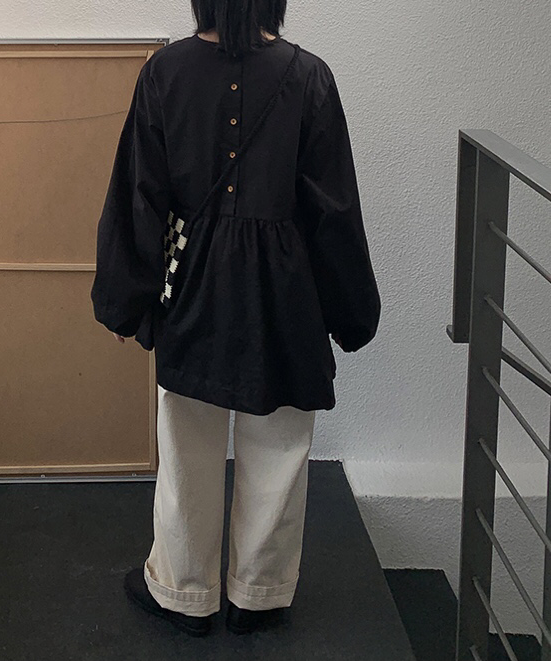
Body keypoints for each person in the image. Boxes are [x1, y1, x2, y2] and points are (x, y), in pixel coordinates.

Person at [90, 0, 381, 637]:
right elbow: (332, 210)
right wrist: (352, 313)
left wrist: (124, 297)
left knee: (185, 440)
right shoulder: (310, 76)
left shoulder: (164, 72)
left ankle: (183, 592)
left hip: (193, 284)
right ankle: (260, 594)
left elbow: (140, 192)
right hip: (285, 291)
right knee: (279, 440)